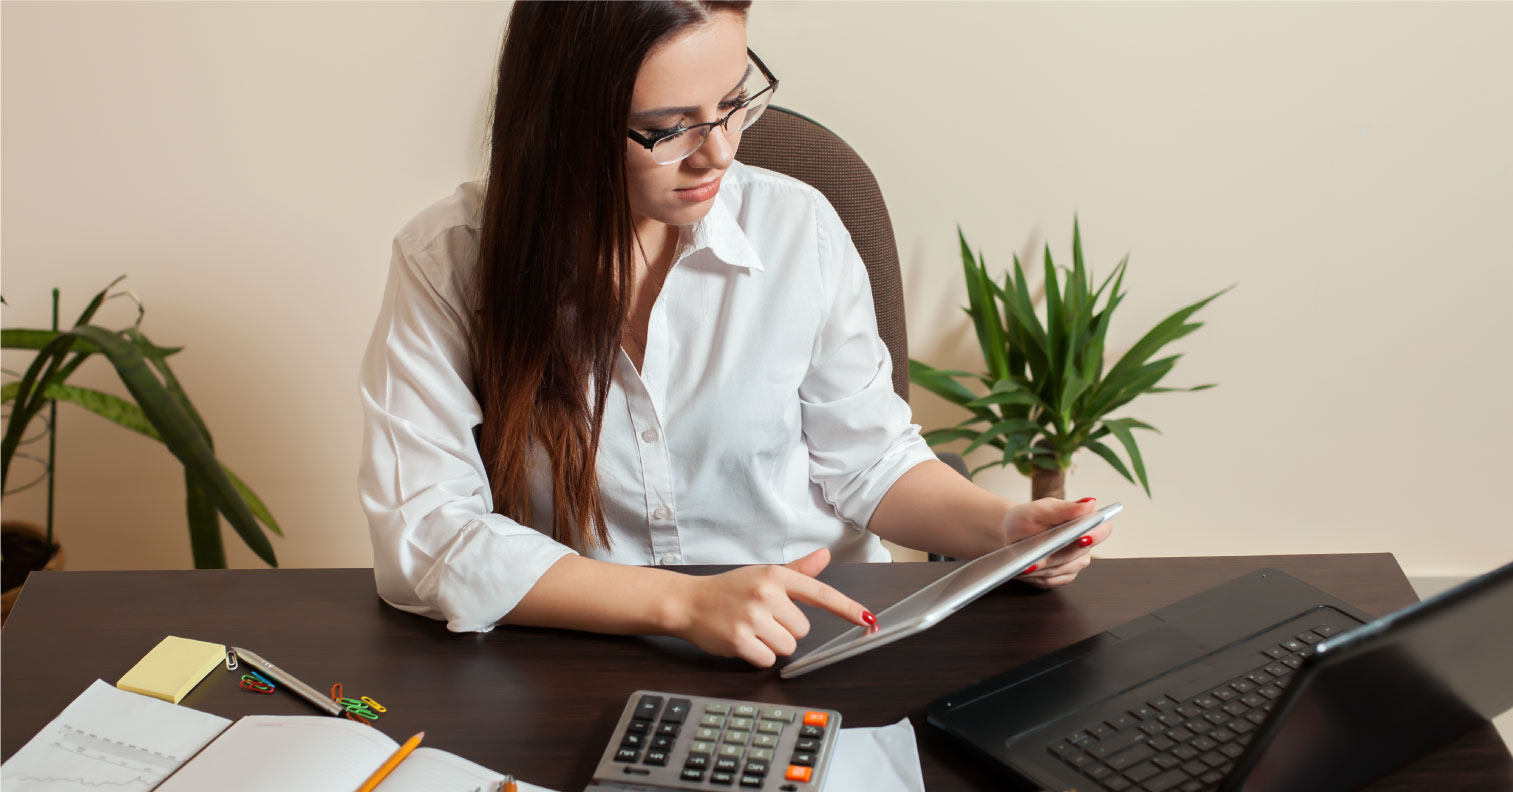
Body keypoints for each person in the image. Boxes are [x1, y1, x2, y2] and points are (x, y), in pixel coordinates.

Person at [358, 0, 1113, 669]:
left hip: (822, 632)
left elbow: (869, 459)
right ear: (560, 124)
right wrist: (682, 605)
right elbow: (427, 535)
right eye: (666, 129)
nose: (718, 152)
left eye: (732, 103)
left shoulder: (798, 227)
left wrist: (1004, 526)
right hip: (585, 655)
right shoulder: (452, 260)